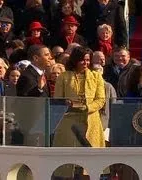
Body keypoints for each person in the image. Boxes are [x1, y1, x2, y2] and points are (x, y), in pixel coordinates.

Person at [52, 46, 105, 178]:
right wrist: (66, 103)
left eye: (88, 60)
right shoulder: (63, 76)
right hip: (69, 122)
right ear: (75, 60)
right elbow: (57, 99)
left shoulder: (96, 76)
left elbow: (101, 100)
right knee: (68, 163)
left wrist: (87, 107)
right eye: (82, 60)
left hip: (91, 121)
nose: (85, 63)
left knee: (90, 165)